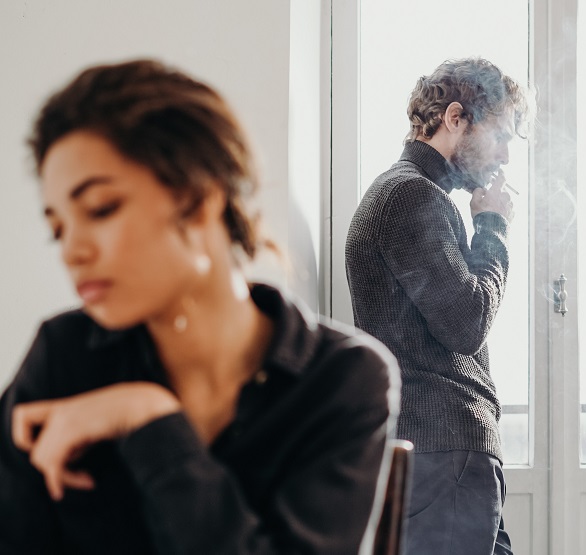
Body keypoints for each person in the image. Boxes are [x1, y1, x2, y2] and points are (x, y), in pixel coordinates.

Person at [0, 59, 399, 555]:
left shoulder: (345, 378)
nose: (71, 251)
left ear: (199, 199)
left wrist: (150, 419)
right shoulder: (63, 353)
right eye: (57, 228)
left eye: (100, 209)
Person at [345, 57, 529, 555]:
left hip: (445, 453)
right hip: (443, 452)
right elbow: (467, 322)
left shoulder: (414, 194)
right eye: (503, 135)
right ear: (455, 118)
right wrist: (492, 227)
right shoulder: (411, 196)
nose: (506, 157)